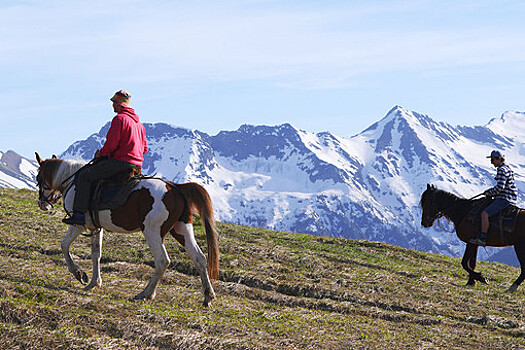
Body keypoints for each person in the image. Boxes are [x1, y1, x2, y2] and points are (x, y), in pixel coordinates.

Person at [63, 90, 148, 225]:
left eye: (114, 102)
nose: (112, 105)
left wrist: (101, 154)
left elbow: (111, 144)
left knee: (84, 176)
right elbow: (145, 148)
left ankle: (79, 215)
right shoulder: (139, 125)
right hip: (137, 166)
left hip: (121, 162)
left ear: (119, 104)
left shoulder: (119, 119)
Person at [469, 150, 518, 246]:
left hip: (504, 198)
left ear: (499, 159)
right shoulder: (508, 168)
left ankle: (482, 238)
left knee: (484, 214)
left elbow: (500, 187)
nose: (492, 163)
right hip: (511, 198)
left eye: (493, 160)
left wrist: (488, 192)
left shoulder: (501, 170)